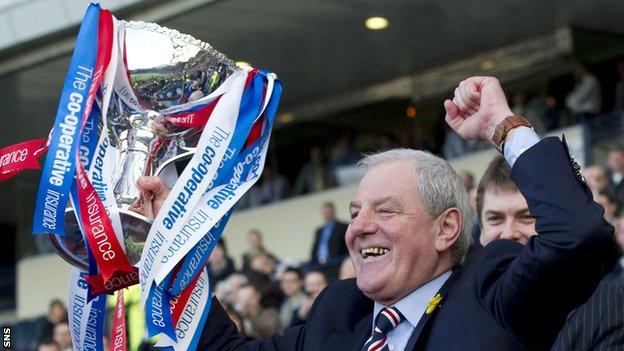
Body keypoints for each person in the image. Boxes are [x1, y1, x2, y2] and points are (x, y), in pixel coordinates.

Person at [139, 77, 617, 350]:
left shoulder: (491, 289)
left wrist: (502, 126)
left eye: (385, 210)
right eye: (354, 212)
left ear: (446, 227)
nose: (359, 227)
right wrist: (173, 244)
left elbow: (578, 234)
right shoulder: (338, 314)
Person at [473, 154, 624, 350]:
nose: (509, 233)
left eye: (526, 217)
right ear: (481, 231)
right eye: (495, 219)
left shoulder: (610, 306)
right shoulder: (457, 309)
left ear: (556, 225)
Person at [307, 202, 349, 280]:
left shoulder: (343, 227)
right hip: (319, 263)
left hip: (335, 260)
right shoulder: (319, 230)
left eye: (329, 212)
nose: (327, 214)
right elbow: (314, 249)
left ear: (333, 212)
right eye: (325, 212)